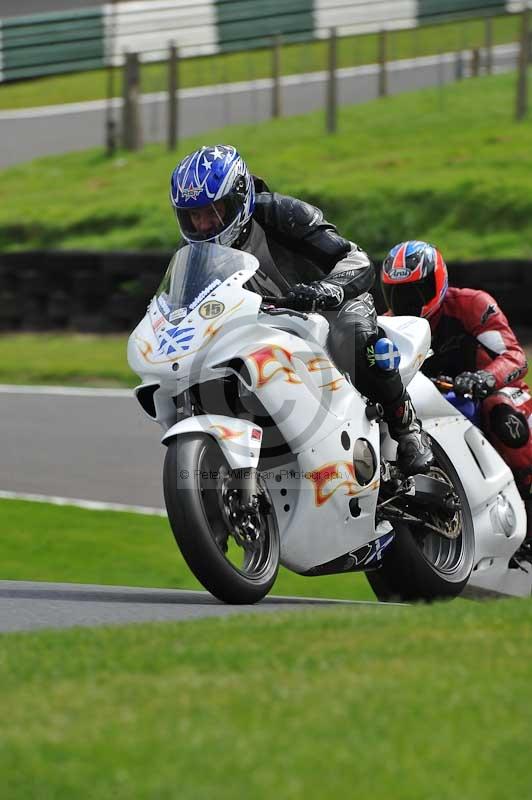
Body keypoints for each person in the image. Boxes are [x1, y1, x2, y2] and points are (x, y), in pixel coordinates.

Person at [169, 144, 434, 476]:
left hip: (327, 310)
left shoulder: (281, 213)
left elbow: (356, 259)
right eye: (194, 215)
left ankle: (407, 429)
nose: (204, 224)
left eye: (213, 211)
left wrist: (327, 289)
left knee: (353, 338)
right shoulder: (192, 253)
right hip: (261, 333)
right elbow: (178, 308)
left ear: (239, 196)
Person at [381, 239, 532, 547]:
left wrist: (484, 379)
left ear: (437, 282)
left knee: (502, 415)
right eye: (397, 292)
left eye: (415, 290)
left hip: (493, 392)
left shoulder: (471, 304)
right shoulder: (388, 327)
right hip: (432, 403)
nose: (406, 300)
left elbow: (515, 357)